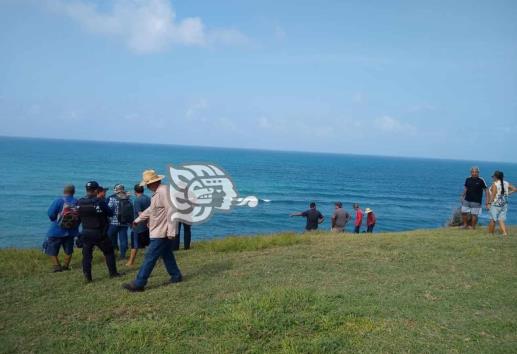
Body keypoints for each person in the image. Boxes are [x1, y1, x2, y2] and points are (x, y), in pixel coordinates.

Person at [123, 170, 182, 292]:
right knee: (167, 255)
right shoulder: (159, 192)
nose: (147, 187)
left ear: (153, 183)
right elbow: (151, 209)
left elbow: (172, 210)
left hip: (161, 231)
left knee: (150, 256)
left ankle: (139, 283)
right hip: (160, 230)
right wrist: (138, 219)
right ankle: (176, 276)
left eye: (147, 184)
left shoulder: (163, 192)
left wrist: (171, 231)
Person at [77, 181, 122, 282]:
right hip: (99, 232)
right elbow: (110, 213)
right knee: (109, 252)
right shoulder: (99, 202)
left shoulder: (80, 202)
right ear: (96, 190)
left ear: (86, 190)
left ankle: (87, 277)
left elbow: (78, 218)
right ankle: (113, 273)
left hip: (86, 232)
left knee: (87, 256)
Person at [44, 184, 80, 272]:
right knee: (69, 250)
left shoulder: (59, 200)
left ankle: (57, 266)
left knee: (51, 248)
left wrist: (54, 220)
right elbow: (80, 217)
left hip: (57, 230)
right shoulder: (78, 202)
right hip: (71, 231)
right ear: (74, 192)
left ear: (64, 191)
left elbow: (50, 214)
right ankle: (66, 266)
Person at [126, 184, 151, 266]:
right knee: (148, 243)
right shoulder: (148, 198)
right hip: (147, 225)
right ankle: (152, 259)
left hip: (138, 226)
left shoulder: (137, 200)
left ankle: (131, 262)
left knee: (134, 245)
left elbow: (141, 214)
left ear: (135, 191)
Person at [107, 184, 134, 260]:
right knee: (123, 239)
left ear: (116, 190)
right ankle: (123, 256)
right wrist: (131, 222)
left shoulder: (113, 199)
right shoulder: (128, 199)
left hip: (114, 222)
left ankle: (110, 253)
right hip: (125, 223)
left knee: (108, 237)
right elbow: (131, 212)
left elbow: (109, 210)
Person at [487, 170, 516, 236]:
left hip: (495, 204)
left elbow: (493, 194)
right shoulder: (506, 183)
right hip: (504, 204)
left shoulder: (495, 184)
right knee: (501, 219)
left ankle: (490, 234)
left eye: (493, 177)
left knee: (493, 219)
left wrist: (489, 203)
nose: (493, 178)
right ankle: (504, 233)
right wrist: (507, 193)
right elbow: (515, 189)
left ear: (495, 177)